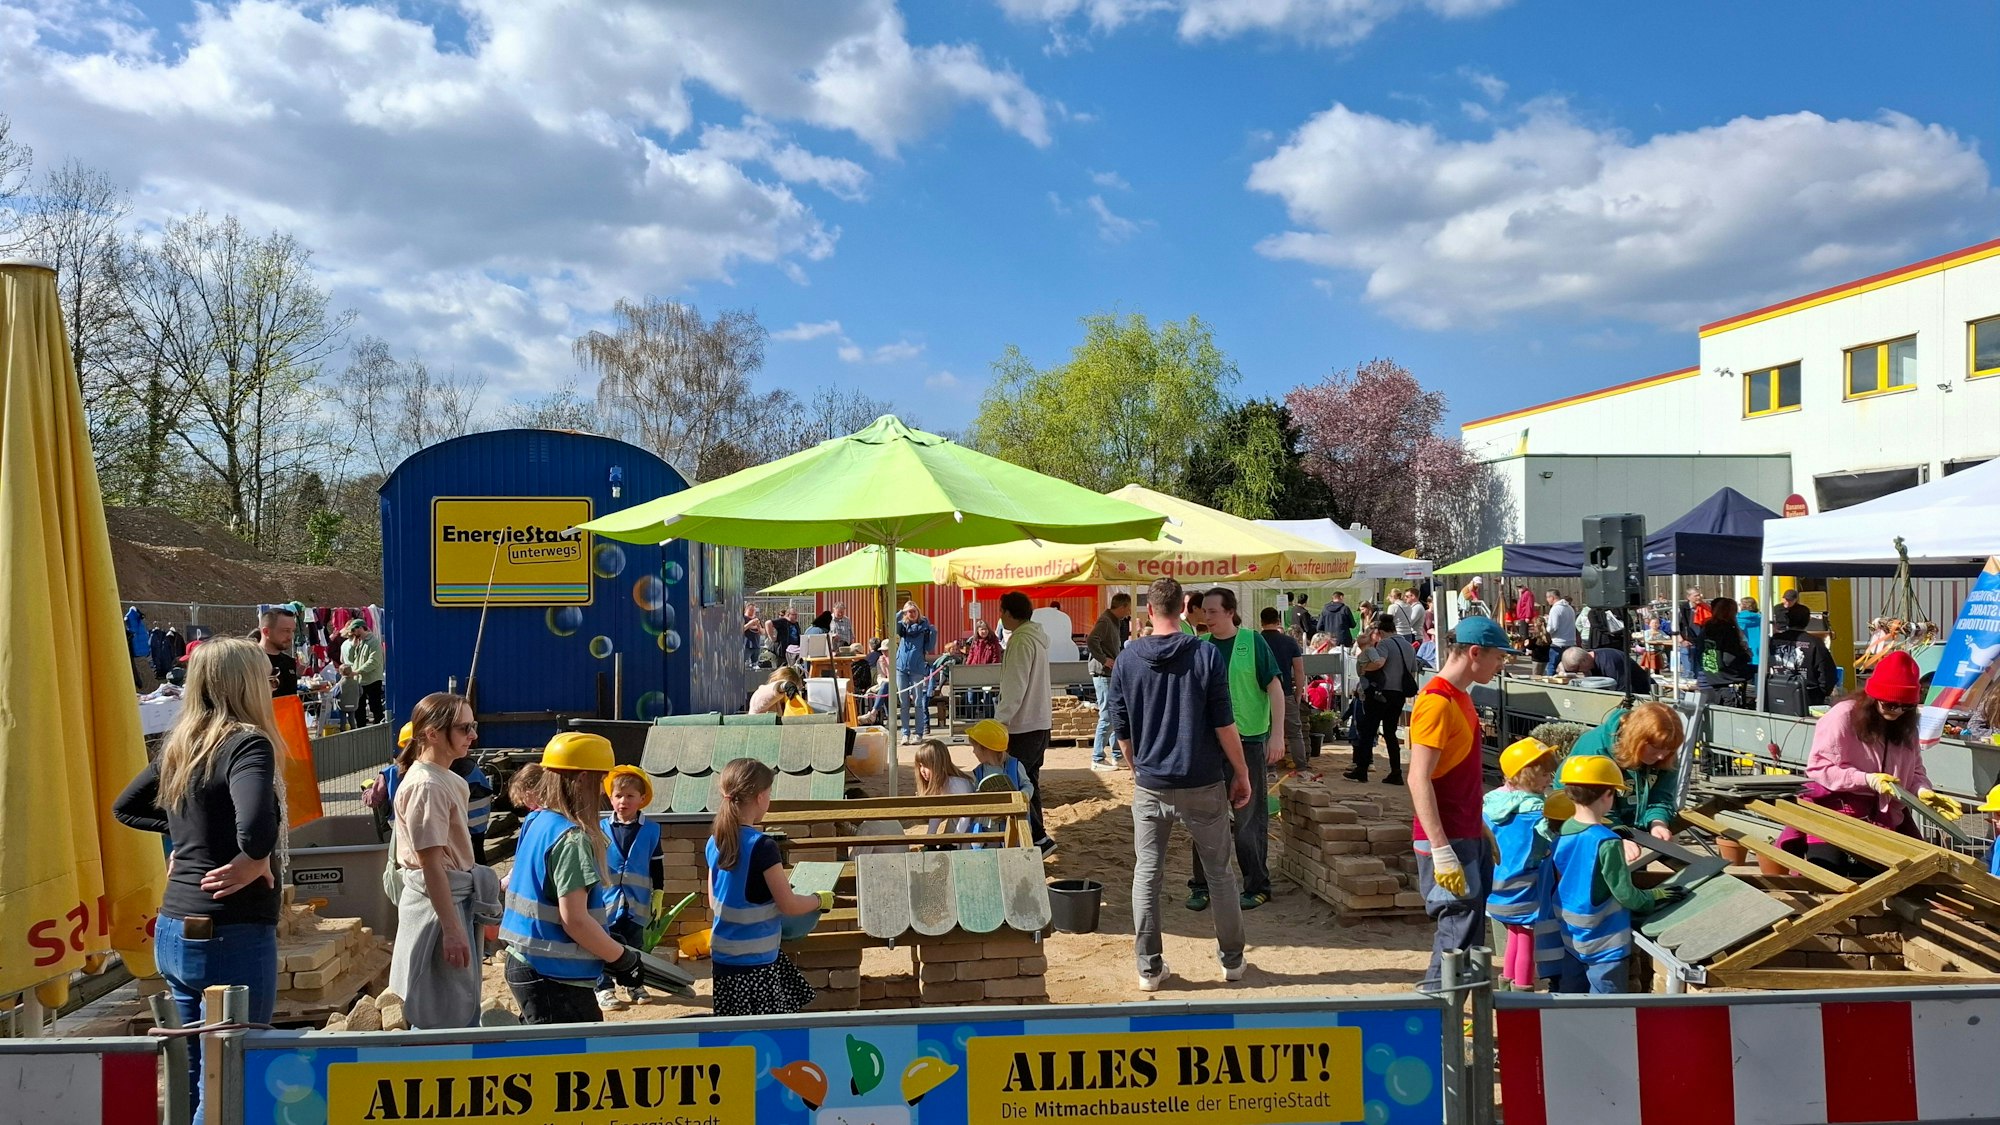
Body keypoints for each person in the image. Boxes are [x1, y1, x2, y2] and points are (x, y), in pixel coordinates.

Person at [113, 639, 283, 1124]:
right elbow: (255, 827)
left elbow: (125, 807)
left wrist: (190, 836)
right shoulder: (247, 742)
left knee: (190, 1071)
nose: (272, 686)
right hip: (230, 931)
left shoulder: (183, 743)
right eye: (265, 677)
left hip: (173, 929)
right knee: (231, 1071)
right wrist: (253, 857)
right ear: (246, 684)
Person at [1107, 577, 1252, 991]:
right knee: (1220, 873)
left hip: (1152, 780)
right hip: (1203, 778)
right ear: (1184, 610)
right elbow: (1225, 723)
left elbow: (1121, 725)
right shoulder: (1205, 655)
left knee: (1147, 873)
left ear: (1149, 611)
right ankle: (1233, 960)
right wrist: (1240, 772)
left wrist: (1137, 766)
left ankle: (1148, 967)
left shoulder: (1129, 658)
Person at [497, 733, 650, 1025]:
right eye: (600, 779)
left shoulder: (537, 821)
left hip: (525, 962)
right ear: (582, 779)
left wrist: (603, 939)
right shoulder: (571, 838)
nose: (604, 791)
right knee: (573, 1059)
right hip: (551, 973)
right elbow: (574, 920)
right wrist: (619, 957)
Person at [1778, 651, 1962, 873]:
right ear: (1874, 697)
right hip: (1834, 812)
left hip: (1882, 819)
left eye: (1906, 707)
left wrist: (1923, 792)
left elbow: (1914, 771)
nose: (1898, 711)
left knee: (1881, 884)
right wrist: (1867, 780)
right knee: (1827, 880)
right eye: (1891, 705)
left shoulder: (1907, 725)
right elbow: (1820, 768)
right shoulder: (1842, 716)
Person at [1409, 617, 1516, 988]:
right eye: (1498, 657)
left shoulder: (1460, 698)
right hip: (1449, 839)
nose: (1501, 665)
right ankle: (1439, 1023)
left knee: (1468, 937)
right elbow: (1418, 777)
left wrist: (1478, 825)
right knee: (1456, 937)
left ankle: (1452, 1019)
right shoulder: (1437, 703)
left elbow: (1456, 775)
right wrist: (1440, 847)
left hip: (1464, 833)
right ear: (1475, 653)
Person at [387, 691, 493, 1029]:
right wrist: (451, 930)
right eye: (464, 728)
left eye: (472, 726)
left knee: (453, 1000)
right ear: (432, 733)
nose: (473, 736)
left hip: (449, 899)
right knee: (439, 1009)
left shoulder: (442, 778)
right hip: (438, 907)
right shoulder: (426, 786)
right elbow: (430, 863)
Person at [1548, 754, 1685, 993]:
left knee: (1571, 998)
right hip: (1605, 943)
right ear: (1608, 795)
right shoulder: (1608, 843)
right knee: (1608, 1007)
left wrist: (1610, 827)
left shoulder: (1564, 830)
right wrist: (1656, 895)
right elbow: (1626, 895)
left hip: (1572, 934)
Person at [706, 759, 831, 1016]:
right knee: (766, 1037)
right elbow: (789, 904)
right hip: (757, 961)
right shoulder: (762, 846)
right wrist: (819, 899)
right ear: (761, 797)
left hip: (724, 959)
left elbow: (713, 899)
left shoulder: (714, 840)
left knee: (735, 1036)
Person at [1188, 588, 1284, 911]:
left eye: (1213, 611)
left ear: (1230, 612)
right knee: (1203, 817)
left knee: (1249, 819)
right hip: (1209, 746)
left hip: (1249, 743)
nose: (1207, 617)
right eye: (1204, 612)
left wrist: (1278, 735)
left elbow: (1275, 688)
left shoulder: (1253, 643)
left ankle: (1257, 884)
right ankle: (1201, 885)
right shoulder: (1199, 646)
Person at [1561, 701, 1684, 864]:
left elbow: (1661, 797)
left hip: (1629, 830)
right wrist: (1616, 836)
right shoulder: (1596, 750)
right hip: (1587, 828)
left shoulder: (1665, 755)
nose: (1661, 757)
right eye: (1655, 750)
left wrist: (1658, 822)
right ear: (1637, 740)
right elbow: (1591, 805)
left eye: (1668, 751)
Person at [1484, 737, 1563, 990]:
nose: (1550, 779)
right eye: (1544, 775)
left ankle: (1506, 984)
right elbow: (1552, 836)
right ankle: (1523, 989)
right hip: (1526, 885)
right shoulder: (1535, 808)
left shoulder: (1491, 801)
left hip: (1497, 886)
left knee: (1513, 935)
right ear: (1526, 775)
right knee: (1527, 937)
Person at [596, 766, 662, 1011]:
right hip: (606, 901)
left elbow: (657, 865)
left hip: (638, 902)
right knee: (603, 943)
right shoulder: (599, 828)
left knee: (635, 945)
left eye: (630, 796)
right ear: (611, 798)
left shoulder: (652, 830)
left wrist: (659, 894)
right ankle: (603, 988)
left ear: (642, 799)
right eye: (618, 796)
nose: (623, 801)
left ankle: (633, 984)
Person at [994, 591, 1056, 854]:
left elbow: (1014, 688)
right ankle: (1037, 837)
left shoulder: (1021, 641)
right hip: (1039, 723)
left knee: (1018, 784)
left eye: (1001, 610)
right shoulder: (1035, 639)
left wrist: (999, 723)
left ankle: (1038, 837)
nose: (999, 616)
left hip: (1023, 726)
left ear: (1009, 613)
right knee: (1029, 780)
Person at [1349, 612, 1419, 785]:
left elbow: (1379, 663)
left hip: (1381, 693)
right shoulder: (1409, 646)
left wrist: (1366, 669)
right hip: (1399, 694)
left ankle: (1362, 770)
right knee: (1390, 733)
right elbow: (1413, 670)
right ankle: (1396, 772)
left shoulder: (1384, 644)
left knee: (1368, 730)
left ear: (1380, 632)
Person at [1088, 594, 1133, 771]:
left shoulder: (1113, 621)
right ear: (1121, 606)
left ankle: (1117, 755)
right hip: (1103, 674)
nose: (1129, 612)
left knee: (1114, 714)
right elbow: (1092, 640)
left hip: (1109, 673)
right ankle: (1097, 758)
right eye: (1128, 608)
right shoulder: (1106, 621)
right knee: (1107, 714)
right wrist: (1104, 659)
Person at [1259, 606, 1306, 767]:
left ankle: (1269, 768)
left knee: (1265, 732)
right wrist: (1298, 693)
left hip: (1260, 695)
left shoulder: (1256, 641)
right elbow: (1299, 670)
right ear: (1278, 621)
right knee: (1295, 733)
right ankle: (1301, 767)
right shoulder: (1289, 641)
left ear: (1261, 622)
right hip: (1285, 692)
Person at [1770, 603, 1839, 707]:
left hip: (1777, 692)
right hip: (1809, 696)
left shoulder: (1774, 640)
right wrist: (1822, 693)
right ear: (1808, 620)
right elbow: (1827, 672)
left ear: (1788, 619)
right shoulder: (1814, 642)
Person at [1693, 596, 1753, 705]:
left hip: (1707, 678)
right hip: (1726, 682)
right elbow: (1729, 659)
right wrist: (1747, 655)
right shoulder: (1728, 630)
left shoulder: (1707, 627)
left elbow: (1699, 652)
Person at [894, 602, 937, 744]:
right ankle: (905, 733)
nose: (911, 614)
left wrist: (933, 633)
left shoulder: (925, 627)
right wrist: (901, 611)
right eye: (908, 612)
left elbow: (929, 647)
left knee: (918, 702)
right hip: (901, 667)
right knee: (903, 702)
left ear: (918, 611)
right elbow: (892, 625)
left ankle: (918, 733)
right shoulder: (903, 626)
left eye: (913, 611)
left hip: (917, 668)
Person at [914, 739, 976, 835]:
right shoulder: (938, 785)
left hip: (970, 829)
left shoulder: (957, 783)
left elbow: (966, 816)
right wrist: (930, 837)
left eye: (926, 766)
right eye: (920, 766)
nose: (922, 770)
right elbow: (937, 813)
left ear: (938, 765)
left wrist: (955, 840)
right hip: (956, 825)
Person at [339, 620, 387, 725]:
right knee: (359, 706)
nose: (352, 633)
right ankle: (361, 727)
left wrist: (357, 671)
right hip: (359, 680)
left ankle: (379, 726)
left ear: (361, 628)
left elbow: (373, 661)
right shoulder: (358, 642)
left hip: (372, 679)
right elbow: (350, 660)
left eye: (354, 630)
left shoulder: (373, 642)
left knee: (375, 705)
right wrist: (352, 646)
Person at [258, 607, 299, 697]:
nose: (291, 636)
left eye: (293, 631)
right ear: (266, 632)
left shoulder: (289, 662)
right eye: (286, 631)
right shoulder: (249, 662)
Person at [1675, 587, 1708, 681]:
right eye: (1696, 595)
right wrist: (1681, 641)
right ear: (1688, 597)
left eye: (1699, 595)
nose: (1699, 597)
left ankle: (1698, 694)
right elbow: (1674, 626)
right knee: (1688, 671)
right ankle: (1684, 694)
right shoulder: (1682, 609)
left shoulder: (1704, 608)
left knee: (1700, 670)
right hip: (1687, 642)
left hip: (1700, 643)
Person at [1544, 590, 1577, 676]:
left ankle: (1550, 686)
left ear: (1552, 597)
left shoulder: (1555, 609)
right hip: (1570, 641)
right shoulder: (1569, 608)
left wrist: (1546, 629)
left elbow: (1553, 627)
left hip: (1558, 642)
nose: (1547, 600)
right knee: (1570, 666)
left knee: (1552, 666)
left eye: (1547, 598)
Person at [1738, 596, 1764, 668]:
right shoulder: (1761, 617)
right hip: (1760, 649)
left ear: (1744, 605)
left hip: (1746, 649)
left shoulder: (1738, 618)